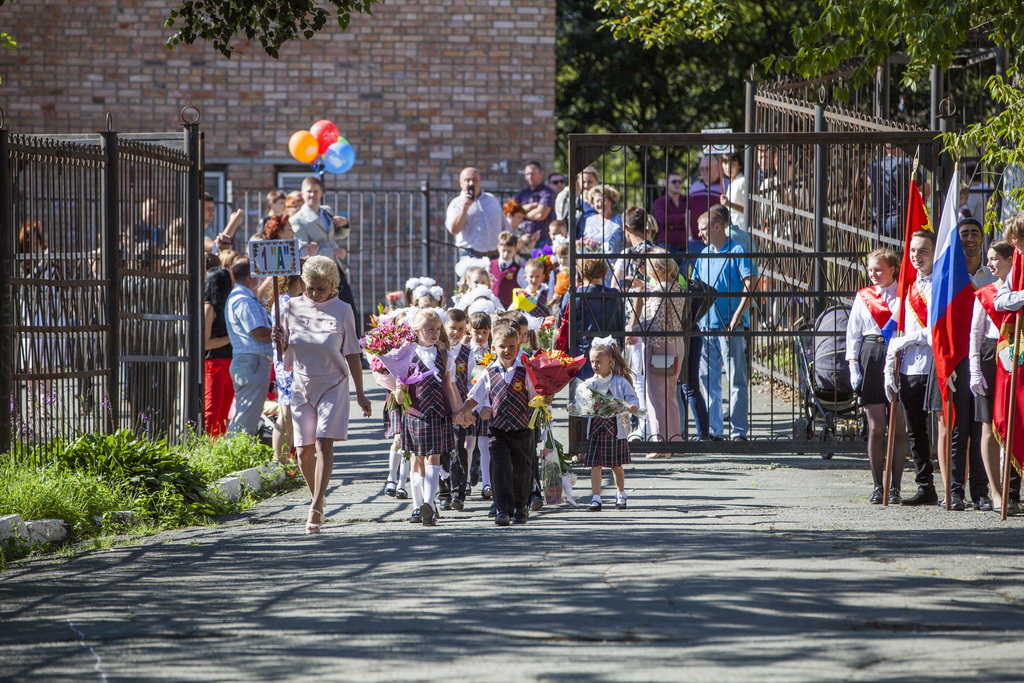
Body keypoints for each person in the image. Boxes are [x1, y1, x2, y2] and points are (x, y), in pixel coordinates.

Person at [274, 255, 371, 534]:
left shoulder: (343, 310)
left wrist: (361, 394)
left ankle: (316, 506)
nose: (315, 294)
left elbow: (352, 353)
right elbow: (283, 352)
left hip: (333, 384)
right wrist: (278, 342)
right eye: (310, 288)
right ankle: (318, 492)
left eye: (321, 289)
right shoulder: (291, 306)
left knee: (322, 443)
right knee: (303, 452)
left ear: (333, 285)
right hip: (302, 384)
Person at [454, 320, 545, 526]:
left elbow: (535, 396)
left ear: (518, 346)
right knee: (500, 469)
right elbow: (475, 396)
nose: (507, 350)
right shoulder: (489, 372)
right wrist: (462, 411)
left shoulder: (526, 370)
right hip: (498, 429)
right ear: (494, 347)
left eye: (512, 346)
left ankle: (521, 509)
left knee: (522, 470)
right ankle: (502, 509)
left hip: (522, 428)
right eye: (502, 346)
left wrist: (544, 398)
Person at [943, 218, 996, 511]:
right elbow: (943, 323)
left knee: (981, 427)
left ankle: (980, 492)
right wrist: (946, 362)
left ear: (982, 238)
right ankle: (954, 490)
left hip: (985, 358)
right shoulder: (950, 277)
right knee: (958, 429)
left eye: (975, 233)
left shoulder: (991, 275)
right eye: (964, 234)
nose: (970, 239)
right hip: (958, 359)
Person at [846, 249, 907, 503]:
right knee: (876, 427)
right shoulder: (864, 296)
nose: (873, 274)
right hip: (871, 355)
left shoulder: (906, 293)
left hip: (898, 355)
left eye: (878, 269)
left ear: (892, 269)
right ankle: (877, 485)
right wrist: (852, 365)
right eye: (870, 269)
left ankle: (895, 487)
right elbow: (853, 333)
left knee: (898, 426)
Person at [884, 230, 938, 506]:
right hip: (909, 366)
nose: (916, 256)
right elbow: (894, 330)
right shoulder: (908, 287)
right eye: (913, 251)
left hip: (935, 365)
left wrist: (909, 338)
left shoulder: (942, 285)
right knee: (915, 430)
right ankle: (925, 486)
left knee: (945, 428)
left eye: (923, 251)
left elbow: (937, 332)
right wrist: (887, 367)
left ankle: (956, 489)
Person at [693, 209, 755, 441]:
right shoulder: (704, 254)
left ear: (717, 227)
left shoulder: (738, 251)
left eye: (703, 229)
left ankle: (739, 432)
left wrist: (738, 316)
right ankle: (714, 430)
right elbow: (697, 288)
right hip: (706, 325)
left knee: (736, 379)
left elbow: (751, 284)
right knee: (708, 381)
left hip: (730, 326)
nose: (700, 234)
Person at [399, 309, 461, 527]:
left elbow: (450, 386)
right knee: (417, 459)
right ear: (417, 331)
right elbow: (401, 390)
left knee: (433, 457)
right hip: (415, 413)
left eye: (437, 329)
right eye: (429, 329)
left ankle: (429, 505)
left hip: (438, 412)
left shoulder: (445, 354)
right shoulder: (406, 354)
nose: (434, 333)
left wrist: (459, 411)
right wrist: (398, 388)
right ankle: (418, 507)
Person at [970, 240, 1014, 514]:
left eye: (995, 258)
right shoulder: (985, 293)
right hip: (989, 355)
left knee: (1014, 423)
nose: (989, 264)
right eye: (988, 258)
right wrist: (974, 368)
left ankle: (1013, 490)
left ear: (1011, 260)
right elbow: (975, 334)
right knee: (988, 426)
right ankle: (995, 492)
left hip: (1014, 356)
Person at [628, 250, 688, 446]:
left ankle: (661, 442)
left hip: (660, 346)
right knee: (669, 395)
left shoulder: (659, 291)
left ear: (659, 268)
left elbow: (656, 322)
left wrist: (633, 330)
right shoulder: (676, 287)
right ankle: (675, 440)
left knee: (655, 396)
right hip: (675, 344)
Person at [576, 338, 639, 511]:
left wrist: (633, 406)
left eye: (598, 361)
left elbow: (632, 398)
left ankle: (621, 494)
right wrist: (576, 406)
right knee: (595, 464)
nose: (594, 365)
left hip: (614, 427)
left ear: (610, 361)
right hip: (596, 427)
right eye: (592, 361)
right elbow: (581, 401)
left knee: (616, 464)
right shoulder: (589, 383)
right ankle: (596, 498)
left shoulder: (620, 382)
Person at [256, 272, 305, 464]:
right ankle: (280, 461)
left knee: (289, 415)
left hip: (287, 359)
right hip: (286, 360)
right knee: (286, 413)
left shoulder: (288, 299)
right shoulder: (285, 301)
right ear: (297, 279)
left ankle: (284, 459)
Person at [224, 258, 274, 437]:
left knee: (248, 416)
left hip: (252, 361)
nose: (259, 279)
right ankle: (234, 455)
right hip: (252, 361)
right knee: (246, 419)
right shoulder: (243, 299)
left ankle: (237, 453)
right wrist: (283, 334)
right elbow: (259, 333)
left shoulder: (243, 297)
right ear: (250, 276)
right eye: (257, 275)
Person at [289, 176, 355, 309]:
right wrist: (333, 251)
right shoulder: (297, 220)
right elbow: (303, 251)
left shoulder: (327, 211)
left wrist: (345, 224)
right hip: (318, 273)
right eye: (309, 191)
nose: (312, 195)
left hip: (336, 268)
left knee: (348, 307)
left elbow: (338, 235)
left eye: (315, 191)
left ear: (321, 193)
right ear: (302, 193)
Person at [559, 257, 624, 381]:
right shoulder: (615, 295)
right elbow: (620, 324)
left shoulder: (574, 295)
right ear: (604, 272)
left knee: (582, 394)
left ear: (581, 273)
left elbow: (563, 319)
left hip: (581, 353)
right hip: (609, 351)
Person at [445, 166, 508, 259]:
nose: (471, 183)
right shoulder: (456, 203)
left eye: (475, 180)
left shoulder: (491, 199)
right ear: (461, 183)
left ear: (480, 181)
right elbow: (454, 230)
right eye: (467, 180)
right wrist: (464, 208)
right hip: (471, 256)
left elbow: (505, 226)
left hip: (496, 255)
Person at [445, 308, 473, 510]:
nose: (457, 332)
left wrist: (469, 408)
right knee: (439, 449)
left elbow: (472, 382)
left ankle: (458, 492)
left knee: (458, 446)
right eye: (453, 328)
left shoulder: (467, 353)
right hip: (439, 407)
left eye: (461, 329)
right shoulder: (436, 351)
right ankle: (443, 491)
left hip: (460, 407)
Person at [203, 267, 234, 437]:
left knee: (224, 412)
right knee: (212, 411)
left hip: (228, 362)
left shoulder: (225, 306)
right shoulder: (209, 307)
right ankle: (206, 447)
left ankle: (217, 447)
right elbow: (205, 343)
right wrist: (231, 338)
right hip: (214, 363)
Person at [466, 311, 494, 499]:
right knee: (469, 444)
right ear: (470, 330)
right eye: (477, 332)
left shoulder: (492, 351)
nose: (481, 336)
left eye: (485, 332)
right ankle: (466, 480)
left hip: (485, 402)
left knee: (485, 444)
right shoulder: (465, 350)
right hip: (469, 400)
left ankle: (487, 482)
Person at [514, 161, 556, 250]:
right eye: (527, 174)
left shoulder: (547, 192)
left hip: (542, 241)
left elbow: (540, 215)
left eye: (533, 174)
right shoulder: (522, 194)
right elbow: (511, 212)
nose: (530, 177)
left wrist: (521, 212)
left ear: (541, 173)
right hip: (522, 240)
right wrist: (530, 207)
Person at [687, 155, 726, 248]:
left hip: (716, 240)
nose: (704, 171)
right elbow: (688, 211)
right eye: (702, 169)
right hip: (695, 240)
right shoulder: (695, 186)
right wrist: (689, 236)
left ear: (717, 168)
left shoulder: (725, 185)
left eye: (708, 168)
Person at [651, 171, 689, 251]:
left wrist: (671, 224)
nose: (677, 184)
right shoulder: (660, 201)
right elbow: (662, 220)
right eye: (674, 182)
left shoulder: (687, 200)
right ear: (667, 184)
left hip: (685, 247)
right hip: (666, 246)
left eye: (679, 182)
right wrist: (684, 217)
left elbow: (692, 219)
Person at [490, 230, 523, 308]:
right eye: (503, 250)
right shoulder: (489, 265)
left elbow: (524, 290)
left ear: (515, 250)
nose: (506, 254)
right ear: (498, 248)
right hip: (492, 307)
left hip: (508, 308)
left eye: (509, 251)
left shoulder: (517, 269)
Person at [721, 151, 748, 232]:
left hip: (742, 228)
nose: (727, 167)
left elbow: (749, 209)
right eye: (725, 163)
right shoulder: (732, 182)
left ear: (739, 165)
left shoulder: (742, 181)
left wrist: (729, 204)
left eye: (732, 164)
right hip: (734, 229)